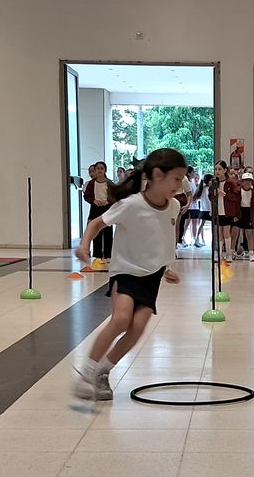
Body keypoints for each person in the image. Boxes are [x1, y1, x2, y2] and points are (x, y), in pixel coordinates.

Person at [72, 148, 187, 401]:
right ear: (158, 175)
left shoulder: (174, 206)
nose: (180, 185)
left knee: (137, 329)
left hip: (151, 276)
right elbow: (96, 223)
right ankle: (86, 373)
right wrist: (84, 246)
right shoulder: (131, 204)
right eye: (177, 179)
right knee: (121, 320)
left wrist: (167, 267)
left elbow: (165, 238)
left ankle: (102, 372)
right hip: (125, 272)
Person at [83, 161, 117, 270]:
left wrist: (108, 201)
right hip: (95, 208)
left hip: (107, 208)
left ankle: (108, 255)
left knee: (107, 231)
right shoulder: (91, 183)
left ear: (105, 170)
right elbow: (86, 196)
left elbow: (114, 196)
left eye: (102, 168)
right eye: (97, 168)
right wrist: (94, 201)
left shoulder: (110, 183)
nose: (99, 171)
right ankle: (97, 255)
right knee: (96, 231)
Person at [211, 160, 240, 263]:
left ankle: (228, 254)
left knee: (226, 233)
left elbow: (236, 197)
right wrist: (214, 194)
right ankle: (219, 254)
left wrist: (225, 195)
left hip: (227, 211)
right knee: (219, 234)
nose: (217, 171)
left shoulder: (231, 183)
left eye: (219, 169)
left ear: (225, 170)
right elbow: (210, 196)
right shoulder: (214, 183)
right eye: (216, 169)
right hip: (217, 211)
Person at [237, 172, 254, 262]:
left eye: (249, 181)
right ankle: (232, 251)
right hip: (240, 212)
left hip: (249, 212)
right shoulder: (238, 190)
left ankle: (251, 253)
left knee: (249, 234)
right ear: (242, 182)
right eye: (245, 180)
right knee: (235, 233)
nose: (247, 182)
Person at [192, 174, 213, 248]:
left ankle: (197, 239)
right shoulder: (207, 189)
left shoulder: (202, 188)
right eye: (211, 180)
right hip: (208, 209)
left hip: (203, 209)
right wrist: (211, 210)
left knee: (201, 225)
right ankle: (198, 239)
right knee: (203, 225)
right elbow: (209, 200)